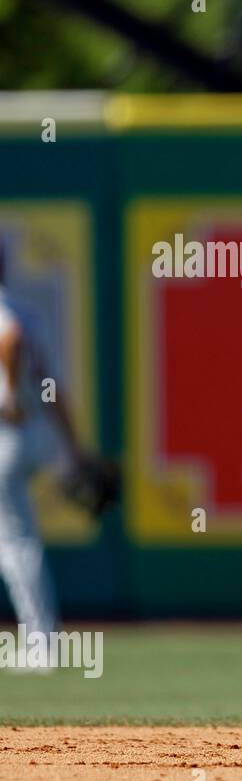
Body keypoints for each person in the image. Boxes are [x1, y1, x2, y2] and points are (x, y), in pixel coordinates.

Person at [0, 237, 91, 670]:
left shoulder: (9, 314)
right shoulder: (29, 313)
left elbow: (9, 337)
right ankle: (41, 641)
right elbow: (55, 390)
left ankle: (42, 645)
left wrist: (9, 393)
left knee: (14, 543)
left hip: (7, 433)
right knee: (16, 541)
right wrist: (73, 449)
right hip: (30, 434)